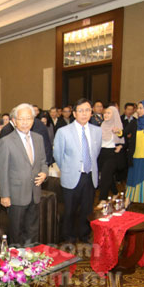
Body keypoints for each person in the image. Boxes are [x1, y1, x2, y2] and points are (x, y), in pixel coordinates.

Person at [0, 104, 48, 247]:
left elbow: (44, 161)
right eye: (21, 119)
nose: (25, 122)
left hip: (35, 192)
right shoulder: (6, 141)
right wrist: (4, 195)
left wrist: (44, 173)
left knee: (32, 230)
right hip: (15, 195)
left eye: (28, 118)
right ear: (14, 121)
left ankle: (31, 259)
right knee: (16, 233)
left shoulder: (38, 138)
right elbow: (2, 170)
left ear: (33, 120)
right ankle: (16, 262)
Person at [53, 98, 102, 243]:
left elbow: (96, 152)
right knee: (70, 210)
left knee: (87, 209)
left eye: (87, 110)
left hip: (89, 175)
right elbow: (58, 155)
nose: (84, 114)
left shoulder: (97, 131)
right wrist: (68, 168)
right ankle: (68, 236)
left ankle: (84, 234)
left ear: (91, 112)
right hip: (72, 176)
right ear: (74, 113)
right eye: (80, 110)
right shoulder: (63, 132)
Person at [96, 106, 124, 207]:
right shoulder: (102, 125)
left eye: (109, 113)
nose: (106, 115)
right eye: (105, 113)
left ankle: (103, 199)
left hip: (112, 154)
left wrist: (120, 145)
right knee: (108, 176)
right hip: (101, 153)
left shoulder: (117, 126)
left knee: (104, 176)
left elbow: (123, 139)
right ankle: (116, 193)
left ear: (114, 115)